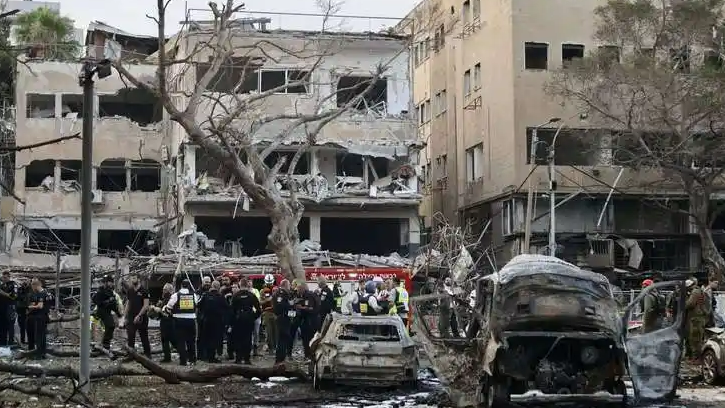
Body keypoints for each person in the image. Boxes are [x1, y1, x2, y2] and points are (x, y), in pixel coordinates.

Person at [165, 279, 199, 366]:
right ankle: (192, 360)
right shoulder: (193, 295)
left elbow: (168, 307)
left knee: (180, 341)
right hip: (191, 320)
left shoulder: (176, 295)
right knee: (191, 341)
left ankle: (183, 361)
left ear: (181, 285)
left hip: (178, 320)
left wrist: (171, 314)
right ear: (189, 286)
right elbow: (196, 305)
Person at [231, 278, 261, 365]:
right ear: (247, 285)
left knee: (238, 339)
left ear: (240, 285)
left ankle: (238, 358)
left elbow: (231, 310)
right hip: (249, 318)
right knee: (248, 338)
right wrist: (253, 317)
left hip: (239, 319)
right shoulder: (252, 295)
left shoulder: (236, 295)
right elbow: (259, 309)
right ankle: (247, 359)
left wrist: (233, 320)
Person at [92, 275, 122, 352]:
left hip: (107, 312)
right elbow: (97, 301)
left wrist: (118, 314)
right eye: (110, 282)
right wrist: (108, 301)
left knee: (111, 326)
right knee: (109, 326)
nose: (112, 284)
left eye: (112, 282)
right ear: (106, 282)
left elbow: (113, 305)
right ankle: (103, 344)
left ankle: (105, 344)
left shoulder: (110, 291)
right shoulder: (101, 291)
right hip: (101, 312)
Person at [199, 280, 227, 363]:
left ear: (212, 286)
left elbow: (199, 305)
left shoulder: (205, 295)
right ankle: (212, 357)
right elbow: (226, 307)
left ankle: (206, 356)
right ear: (218, 287)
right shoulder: (220, 296)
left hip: (206, 320)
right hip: (217, 321)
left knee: (207, 338)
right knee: (215, 339)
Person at [124, 275, 151, 357]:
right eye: (131, 278)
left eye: (134, 278)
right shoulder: (130, 290)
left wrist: (139, 315)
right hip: (131, 317)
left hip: (142, 317)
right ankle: (131, 354)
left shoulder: (144, 290)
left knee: (144, 336)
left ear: (138, 279)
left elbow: (146, 305)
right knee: (130, 336)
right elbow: (128, 303)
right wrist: (125, 316)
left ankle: (147, 354)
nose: (132, 280)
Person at [685, 278, 709, 360]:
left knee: (695, 339)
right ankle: (696, 357)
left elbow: (690, 304)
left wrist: (684, 303)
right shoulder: (699, 291)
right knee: (697, 338)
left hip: (696, 318)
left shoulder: (695, 292)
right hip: (698, 317)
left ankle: (696, 358)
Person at [152, 283, 176, 363]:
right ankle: (169, 356)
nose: (163, 291)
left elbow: (164, 311)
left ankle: (168, 357)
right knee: (168, 340)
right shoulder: (168, 298)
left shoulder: (168, 298)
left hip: (168, 321)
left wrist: (156, 308)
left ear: (169, 290)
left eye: (165, 289)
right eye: (163, 289)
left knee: (168, 340)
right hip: (167, 321)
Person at [26, 278, 48, 359]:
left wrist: (30, 307)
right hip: (42, 316)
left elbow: (40, 306)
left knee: (38, 337)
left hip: (39, 317)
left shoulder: (41, 293)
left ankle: (38, 355)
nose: (32, 287)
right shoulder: (46, 292)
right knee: (41, 336)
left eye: (32, 285)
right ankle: (42, 354)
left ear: (35, 285)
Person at [296, 282, 319, 360]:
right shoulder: (308, 295)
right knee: (308, 339)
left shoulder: (308, 296)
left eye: (298, 289)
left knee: (308, 339)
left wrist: (300, 307)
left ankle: (309, 356)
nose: (297, 291)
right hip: (310, 321)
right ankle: (309, 355)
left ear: (302, 288)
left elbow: (310, 308)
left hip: (309, 322)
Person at [273, 279, 293, 365]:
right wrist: (290, 304)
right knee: (283, 339)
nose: (290, 287)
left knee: (284, 339)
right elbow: (280, 306)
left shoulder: (285, 293)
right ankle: (279, 359)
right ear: (285, 285)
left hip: (285, 318)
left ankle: (281, 358)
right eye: (289, 285)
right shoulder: (280, 293)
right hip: (282, 318)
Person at [260, 274, 278, 355]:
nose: (270, 284)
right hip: (267, 313)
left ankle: (276, 347)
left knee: (276, 331)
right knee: (269, 332)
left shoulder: (276, 289)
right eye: (268, 282)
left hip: (275, 313)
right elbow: (261, 302)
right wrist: (268, 300)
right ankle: (271, 348)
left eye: (271, 282)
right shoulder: (263, 291)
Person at [196, 276, 212, 361]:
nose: (207, 284)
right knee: (201, 337)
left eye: (209, 282)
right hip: (201, 317)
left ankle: (208, 355)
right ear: (202, 282)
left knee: (209, 337)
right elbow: (196, 303)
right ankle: (200, 355)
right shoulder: (198, 292)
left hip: (210, 318)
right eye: (206, 282)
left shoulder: (211, 291)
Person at [0, 271, 18, 346]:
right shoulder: (2, 285)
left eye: (5, 277)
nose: (4, 279)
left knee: (10, 325)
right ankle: (2, 342)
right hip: (2, 307)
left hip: (10, 307)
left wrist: (4, 293)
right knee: (2, 324)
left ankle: (11, 342)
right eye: (3, 277)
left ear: (9, 277)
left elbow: (14, 296)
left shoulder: (13, 284)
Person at [247, 279, 262, 356]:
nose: (249, 283)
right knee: (249, 332)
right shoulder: (244, 292)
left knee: (256, 332)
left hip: (256, 314)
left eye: (250, 281)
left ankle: (255, 349)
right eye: (248, 282)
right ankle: (248, 348)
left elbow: (258, 300)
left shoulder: (256, 291)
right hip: (248, 314)